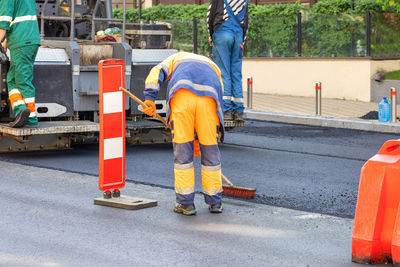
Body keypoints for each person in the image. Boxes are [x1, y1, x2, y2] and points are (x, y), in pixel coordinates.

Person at [142, 51, 224, 216]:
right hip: (209, 101)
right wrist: (207, 133)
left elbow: (156, 72)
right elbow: (220, 92)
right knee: (210, 150)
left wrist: (149, 98)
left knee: (183, 153)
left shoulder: (175, 59)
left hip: (182, 96)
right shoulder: (213, 66)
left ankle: (186, 204)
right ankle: (215, 201)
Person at [0, 0, 41, 128]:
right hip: (28, 40)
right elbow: (17, 16)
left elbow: (4, 21)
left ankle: (31, 117)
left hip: (22, 42)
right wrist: (5, 41)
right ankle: (21, 110)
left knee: (23, 80)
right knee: (12, 79)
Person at [207, 0, 248, 121]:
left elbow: (210, 16)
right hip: (238, 36)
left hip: (222, 34)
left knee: (224, 72)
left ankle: (226, 110)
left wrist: (211, 35)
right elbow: (246, 22)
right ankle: (239, 111)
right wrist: (242, 41)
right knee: (236, 73)